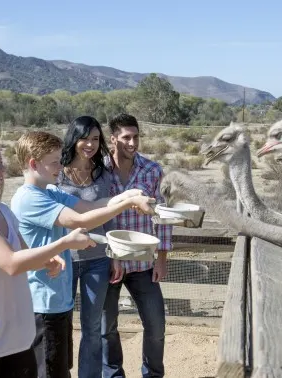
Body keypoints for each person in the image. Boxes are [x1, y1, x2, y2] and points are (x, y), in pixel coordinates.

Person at [0, 137, 95, 378]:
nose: (2, 170)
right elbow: (11, 263)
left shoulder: (3, 210)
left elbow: (23, 254)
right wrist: (64, 243)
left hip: (16, 339)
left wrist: (47, 260)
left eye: (1, 163)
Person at [10, 130, 155, 378]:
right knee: (49, 371)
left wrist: (128, 195)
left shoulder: (50, 191)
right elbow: (80, 220)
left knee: (60, 369)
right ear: (33, 164)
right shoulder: (30, 199)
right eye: (54, 162)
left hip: (58, 300)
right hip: (42, 303)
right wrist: (127, 204)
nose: (60, 165)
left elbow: (89, 206)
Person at [102, 113, 173, 378]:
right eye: (126, 137)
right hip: (109, 263)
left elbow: (163, 215)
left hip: (143, 262)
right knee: (106, 328)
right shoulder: (99, 171)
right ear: (113, 139)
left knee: (156, 326)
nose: (133, 143)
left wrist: (162, 258)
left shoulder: (152, 170)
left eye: (136, 136)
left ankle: (152, 375)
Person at [58, 115, 121, 378]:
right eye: (85, 138)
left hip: (98, 259)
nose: (91, 144)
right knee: (60, 324)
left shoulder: (103, 175)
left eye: (96, 139)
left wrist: (115, 256)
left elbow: (110, 217)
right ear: (74, 138)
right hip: (64, 260)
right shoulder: (57, 174)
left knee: (92, 327)